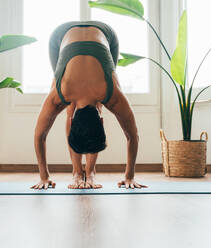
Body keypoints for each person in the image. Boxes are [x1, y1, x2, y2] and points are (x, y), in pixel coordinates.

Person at [31, 21, 146, 190]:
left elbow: (39, 136)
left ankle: (90, 173)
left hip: (104, 35)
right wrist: (44, 176)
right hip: (60, 38)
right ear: (102, 122)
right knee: (71, 107)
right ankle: (77, 172)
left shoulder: (109, 93)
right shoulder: (62, 93)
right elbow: (132, 136)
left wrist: (129, 176)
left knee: (84, 105)